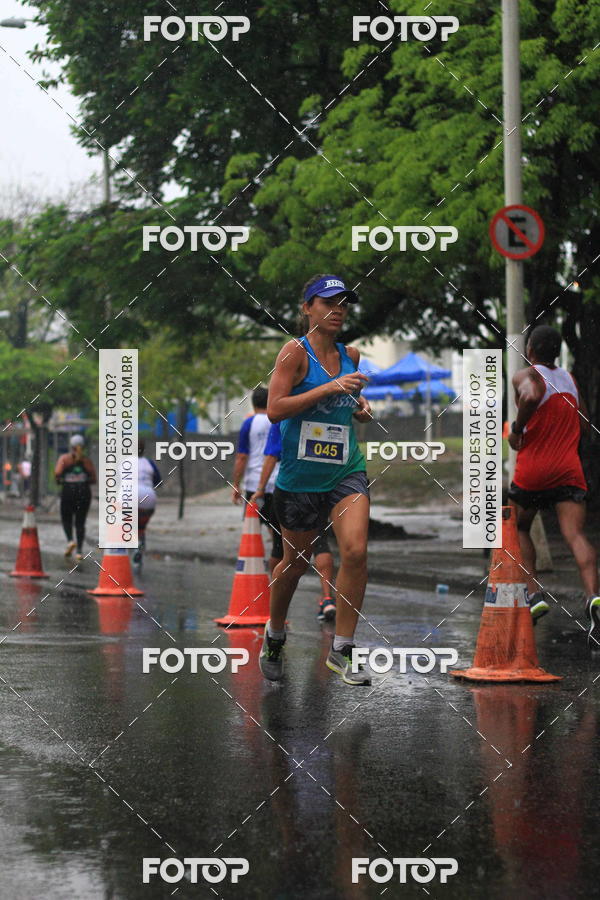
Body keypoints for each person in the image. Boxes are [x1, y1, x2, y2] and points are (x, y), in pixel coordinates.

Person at [259, 274, 372, 685]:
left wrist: (358, 406)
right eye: (327, 302)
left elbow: (347, 399)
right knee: (295, 564)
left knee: (356, 551)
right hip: (299, 477)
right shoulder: (294, 353)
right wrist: (329, 389)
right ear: (307, 308)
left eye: (343, 302)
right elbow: (275, 409)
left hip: (345, 469)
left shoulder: (352, 354)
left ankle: (342, 649)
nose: (337, 309)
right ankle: (274, 632)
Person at [507, 324, 600, 646]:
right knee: (575, 534)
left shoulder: (525, 375)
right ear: (557, 352)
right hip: (568, 469)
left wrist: (518, 429)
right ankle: (593, 598)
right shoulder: (570, 380)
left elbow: (531, 394)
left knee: (518, 525)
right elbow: (585, 423)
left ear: (530, 350)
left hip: (533, 470)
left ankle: (533, 594)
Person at [251, 421, 337, 621]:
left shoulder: (283, 416)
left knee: (280, 548)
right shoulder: (324, 412)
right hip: (322, 484)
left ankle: (276, 606)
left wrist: (261, 488)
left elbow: (272, 455)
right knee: (320, 541)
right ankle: (327, 599)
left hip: (286, 489)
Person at [231, 386, 278, 546]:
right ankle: (277, 563)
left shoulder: (249, 423)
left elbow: (242, 457)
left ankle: (252, 563)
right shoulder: (278, 421)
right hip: (277, 481)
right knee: (276, 529)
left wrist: (236, 484)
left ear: (253, 403)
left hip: (254, 485)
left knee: (252, 527)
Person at [55, 434, 97, 561]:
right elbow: (93, 478)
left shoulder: (65, 459)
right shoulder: (87, 461)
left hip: (68, 491)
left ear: (71, 446)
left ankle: (70, 541)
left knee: (66, 518)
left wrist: (61, 480)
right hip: (84, 493)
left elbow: (57, 473)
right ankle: (79, 551)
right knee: (80, 522)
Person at [134, 438, 161, 567]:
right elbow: (158, 482)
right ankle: (139, 546)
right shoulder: (150, 463)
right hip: (148, 497)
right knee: (141, 526)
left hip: (128, 498)